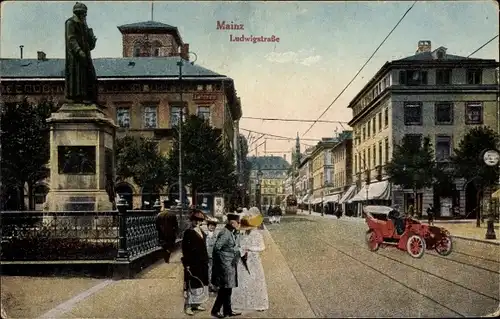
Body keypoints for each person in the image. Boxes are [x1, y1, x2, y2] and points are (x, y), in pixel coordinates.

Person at [232, 207, 269, 312]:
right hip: (243, 261)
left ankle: (258, 303)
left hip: (254, 261)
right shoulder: (244, 235)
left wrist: (250, 249)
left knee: (255, 281)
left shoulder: (257, 235)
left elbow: (262, 247)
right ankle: (242, 303)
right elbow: (240, 245)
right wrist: (241, 250)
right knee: (243, 281)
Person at [65, 2, 98, 104]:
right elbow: (71, 39)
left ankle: (89, 98)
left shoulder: (84, 25)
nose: (85, 16)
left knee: (90, 76)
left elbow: (90, 45)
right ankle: (78, 98)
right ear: (79, 13)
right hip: (75, 58)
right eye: (84, 14)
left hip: (86, 56)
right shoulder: (70, 23)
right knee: (78, 78)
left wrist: (91, 36)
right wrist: (79, 51)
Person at [211, 212, 243, 318]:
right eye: (237, 222)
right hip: (225, 266)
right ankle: (215, 311)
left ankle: (227, 311)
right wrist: (222, 262)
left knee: (228, 289)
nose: (239, 224)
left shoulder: (231, 232)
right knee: (224, 289)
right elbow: (216, 249)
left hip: (229, 265)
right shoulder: (225, 232)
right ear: (232, 222)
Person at [182, 210, 210, 316]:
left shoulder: (201, 231)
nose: (198, 222)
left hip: (201, 261)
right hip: (193, 262)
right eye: (196, 220)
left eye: (200, 220)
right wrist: (187, 264)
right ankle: (188, 305)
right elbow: (185, 249)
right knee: (192, 283)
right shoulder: (188, 232)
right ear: (192, 220)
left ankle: (196, 304)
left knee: (200, 283)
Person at [205, 216, 219, 293]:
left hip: (214, 256)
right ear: (207, 226)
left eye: (213, 226)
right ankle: (209, 285)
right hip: (207, 256)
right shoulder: (205, 235)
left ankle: (213, 285)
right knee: (208, 270)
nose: (212, 227)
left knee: (214, 271)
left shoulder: (217, 236)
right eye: (210, 225)